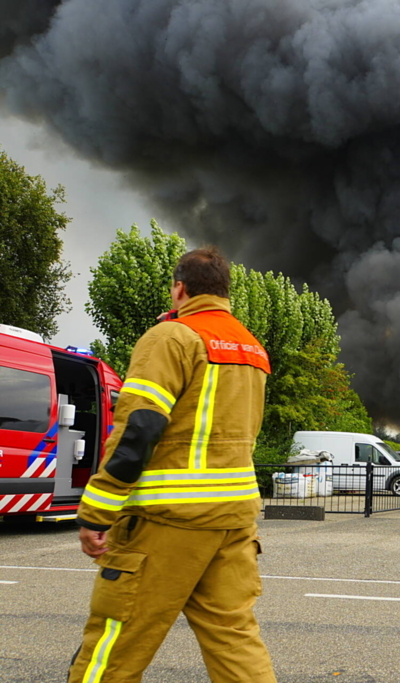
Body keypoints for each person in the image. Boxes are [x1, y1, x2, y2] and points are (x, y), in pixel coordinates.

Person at [70, 248, 276, 682]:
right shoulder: (252, 348)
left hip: (167, 523)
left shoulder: (172, 338)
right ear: (223, 291)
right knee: (234, 639)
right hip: (234, 521)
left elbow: (140, 428)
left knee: (116, 642)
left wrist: (97, 511)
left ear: (179, 289)